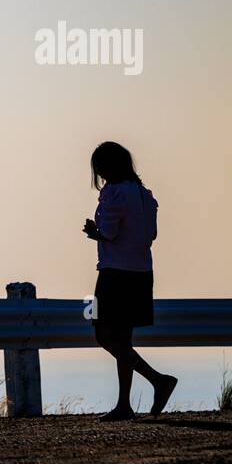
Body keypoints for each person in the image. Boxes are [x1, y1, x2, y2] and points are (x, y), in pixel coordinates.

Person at [82, 141, 177, 421]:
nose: (97, 171)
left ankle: (158, 380)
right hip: (141, 273)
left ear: (107, 166)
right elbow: (151, 235)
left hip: (115, 273)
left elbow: (109, 233)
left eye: (99, 165)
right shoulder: (145, 194)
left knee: (104, 335)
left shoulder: (113, 192)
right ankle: (125, 404)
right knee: (123, 338)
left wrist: (94, 231)